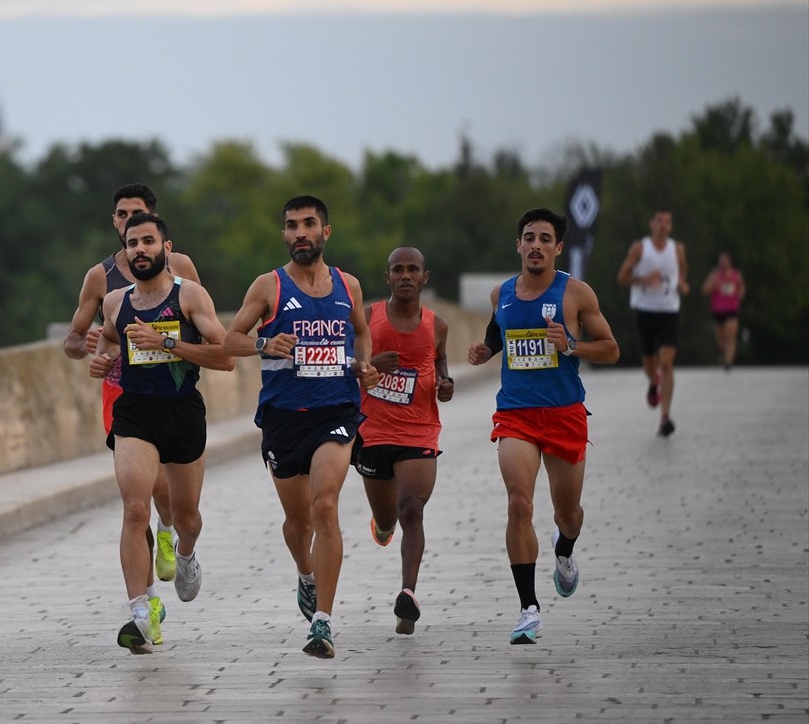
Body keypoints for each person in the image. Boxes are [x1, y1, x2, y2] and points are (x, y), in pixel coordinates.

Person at [223, 195, 378, 659]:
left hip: (336, 411)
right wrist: (265, 343)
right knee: (298, 521)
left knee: (325, 504)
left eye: (308, 224)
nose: (299, 234)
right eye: (291, 226)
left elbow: (362, 330)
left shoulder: (348, 285)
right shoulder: (267, 286)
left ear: (326, 232)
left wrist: (364, 364)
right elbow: (230, 339)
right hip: (283, 417)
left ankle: (323, 623)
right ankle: (305, 573)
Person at [468, 207, 618, 645]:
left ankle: (565, 549)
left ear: (557, 247)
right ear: (518, 245)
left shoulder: (576, 294)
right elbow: (498, 335)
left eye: (545, 238)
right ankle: (528, 609)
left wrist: (570, 345)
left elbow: (610, 349)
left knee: (567, 514)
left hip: (564, 413)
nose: (536, 245)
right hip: (515, 413)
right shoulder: (502, 294)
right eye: (529, 237)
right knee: (519, 504)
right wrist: (484, 352)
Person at [89, 213, 234, 654]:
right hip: (135, 413)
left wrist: (167, 343)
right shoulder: (115, 301)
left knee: (186, 516)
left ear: (166, 248)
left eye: (148, 241)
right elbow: (110, 341)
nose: (140, 250)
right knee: (136, 508)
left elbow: (225, 356)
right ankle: (141, 611)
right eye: (132, 243)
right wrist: (103, 359)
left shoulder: (189, 295)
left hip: (182, 412)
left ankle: (185, 553)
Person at [63, 184, 200, 598]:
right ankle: (144, 606)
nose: (129, 223)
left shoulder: (181, 269)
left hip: (173, 393)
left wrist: (175, 348)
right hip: (123, 393)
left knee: (167, 493)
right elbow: (72, 340)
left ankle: (170, 531)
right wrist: (90, 344)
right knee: (136, 498)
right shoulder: (100, 277)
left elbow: (202, 323)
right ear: (115, 223)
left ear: (156, 226)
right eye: (122, 216)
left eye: (137, 216)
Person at [355, 246, 453, 636]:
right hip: (374, 430)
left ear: (425, 278)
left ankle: (407, 594)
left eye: (414, 269)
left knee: (412, 508)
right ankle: (382, 525)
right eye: (399, 270)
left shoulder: (437, 325)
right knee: (388, 517)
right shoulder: (368, 319)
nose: (407, 275)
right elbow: (345, 360)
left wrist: (445, 382)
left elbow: (440, 358)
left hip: (419, 430)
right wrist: (368, 366)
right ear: (388, 277)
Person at [616, 209, 688, 437]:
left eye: (667, 221)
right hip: (645, 311)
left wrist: (682, 282)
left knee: (666, 363)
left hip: (669, 310)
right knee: (649, 362)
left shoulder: (677, 249)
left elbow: (682, 268)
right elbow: (622, 277)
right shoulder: (640, 248)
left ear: (671, 226)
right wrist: (643, 279)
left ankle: (665, 416)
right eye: (659, 221)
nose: (663, 225)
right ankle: (652, 382)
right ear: (651, 224)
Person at [701, 250, 745, 370]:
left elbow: (741, 288)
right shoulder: (714, 275)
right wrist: (714, 285)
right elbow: (704, 290)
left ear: (730, 261)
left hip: (732, 309)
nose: (723, 262)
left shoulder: (736, 275)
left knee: (731, 335)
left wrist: (740, 294)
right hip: (718, 309)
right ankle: (723, 351)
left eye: (726, 260)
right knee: (720, 337)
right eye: (722, 260)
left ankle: (728, 361)